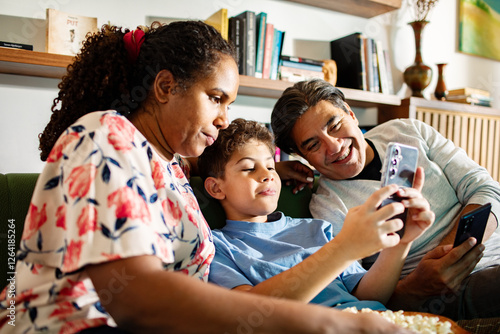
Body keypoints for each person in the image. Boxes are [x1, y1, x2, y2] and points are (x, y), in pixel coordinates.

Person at [0, 22, 413, 334]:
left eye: (228, 104)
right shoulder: (106, 134)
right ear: (164, 87)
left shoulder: (171, 166)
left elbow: (213, 166)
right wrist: (328, 323)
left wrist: (272, 167)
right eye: (215, 98)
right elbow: (135, 299)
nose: (222, 117)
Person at [270, 78, 500, 320]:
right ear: (301, 155)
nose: (334, 146)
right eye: (313, 144)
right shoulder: (328, 208)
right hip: (449, 292)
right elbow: (359, 299)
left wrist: (450, 254)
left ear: (351, 114)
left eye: (335, 125)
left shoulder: (409, 130)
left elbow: (487, 189)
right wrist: (419, 285)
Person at [197, 118, 434, 311]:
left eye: (271, 166)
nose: (268, 175)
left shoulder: (317, 229)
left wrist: (400, 242)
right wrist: (343, 248)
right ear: (216, 188)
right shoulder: (217, 247)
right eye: (249, 168)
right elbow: (250, 312)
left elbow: (369, 294)